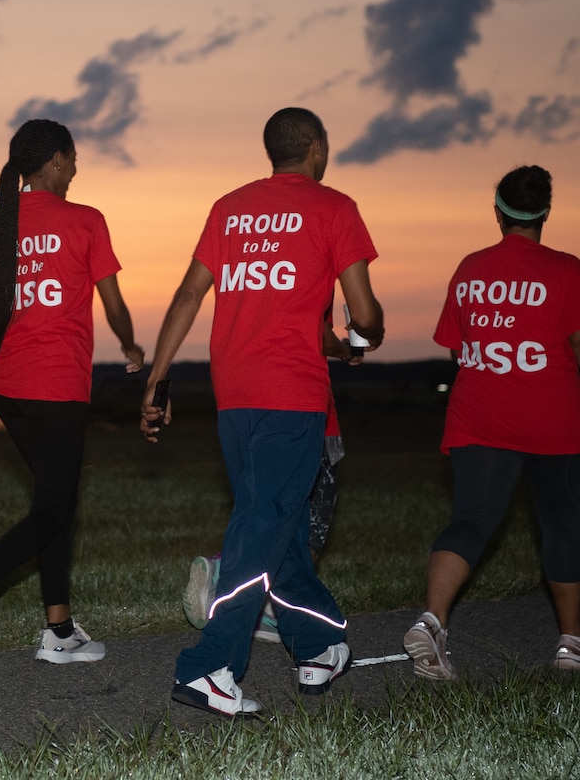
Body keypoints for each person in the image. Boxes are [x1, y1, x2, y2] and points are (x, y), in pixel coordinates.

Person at [142, 107, 383, 717]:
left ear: (271, 151)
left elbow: (189, 294)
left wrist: (159, 378)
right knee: (261, 527)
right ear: (318, 150)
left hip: (235, 396)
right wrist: (364, 337)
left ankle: (319, 642)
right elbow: (365, 314)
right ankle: (210, 665)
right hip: (292, 396)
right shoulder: (335, 208)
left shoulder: (229, 207)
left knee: (283, 530)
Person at [0, 118, 145, 668]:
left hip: (8, 391)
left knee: (53, 501)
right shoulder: (87, 221)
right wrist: (131, 347)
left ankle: (59, 629)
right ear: (57, 162)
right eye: (74, 159)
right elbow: (112, 303)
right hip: (58, 386)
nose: (77, 169)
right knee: (53, 507)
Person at [404, 165, 580, 680]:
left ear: (498, 212)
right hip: (553, 418)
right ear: (545, 213)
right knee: (561, 520)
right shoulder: (568, 270)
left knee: (471, 520)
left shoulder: (471, 268)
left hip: (481, 415)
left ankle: (432, 622)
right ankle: (573, 642)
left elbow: (460, 344)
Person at [182, 319, 354, 638]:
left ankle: (270, 608)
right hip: (304, 414)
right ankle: (227, 576)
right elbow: (316, 332)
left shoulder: (250, 280)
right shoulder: (310, 275)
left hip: (248, 411)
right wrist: (347, 349)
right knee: (309, 525)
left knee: (264, 512)